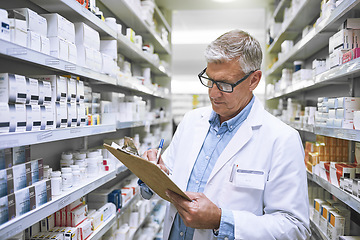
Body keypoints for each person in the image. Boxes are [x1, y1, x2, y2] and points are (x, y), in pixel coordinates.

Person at [141, 30, 310, 240]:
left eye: (224, 84)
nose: (213, 93)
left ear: (254, 80)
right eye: (210, 80)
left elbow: (295, 227)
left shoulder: (282, 139)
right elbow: (170, 174)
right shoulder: (191, 121)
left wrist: (221, 221)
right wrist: (153, 173)